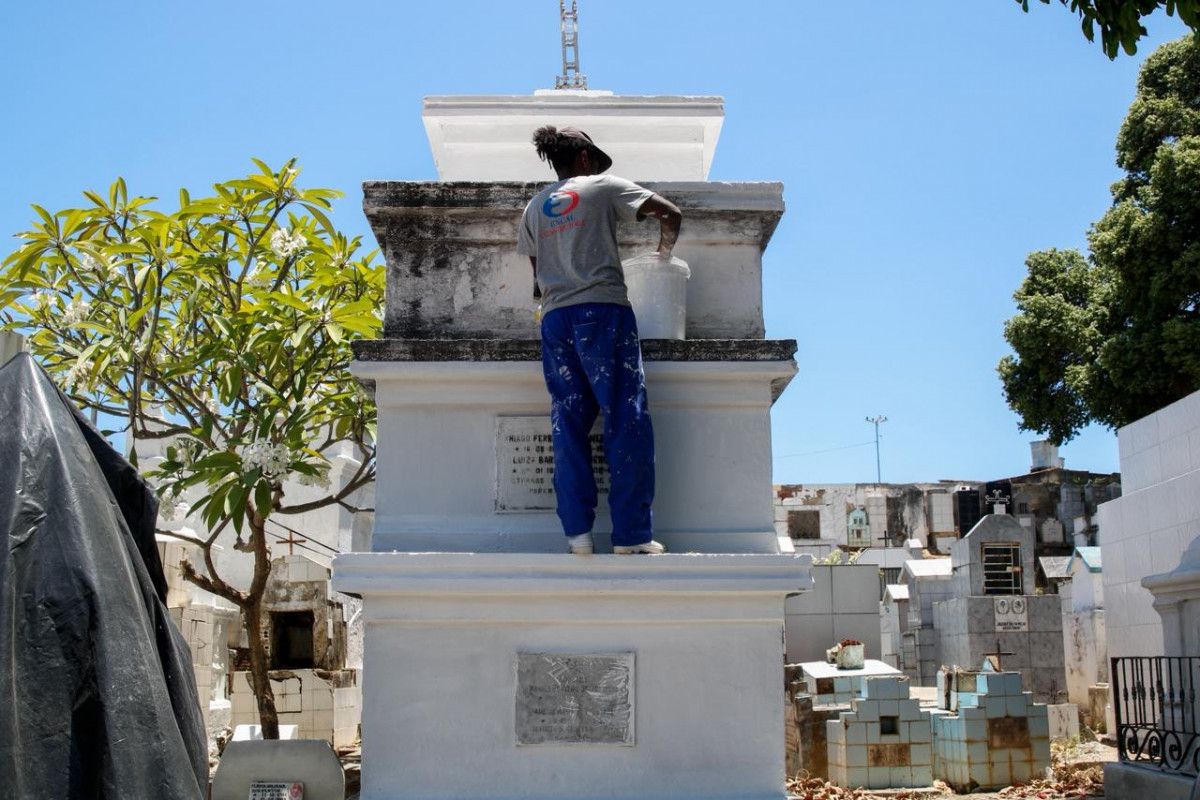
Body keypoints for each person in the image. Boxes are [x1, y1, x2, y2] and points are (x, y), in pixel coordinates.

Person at [517, 125, 682, 556]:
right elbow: (670, 213)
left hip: (555, 321)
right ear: (587, 157)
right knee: (626, 416)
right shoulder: (603, 185)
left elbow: (537, 280)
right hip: (603, 311)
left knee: (567, 424)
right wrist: (662, 258)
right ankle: (631, 536)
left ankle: (578, 536)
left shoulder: (534, 208)